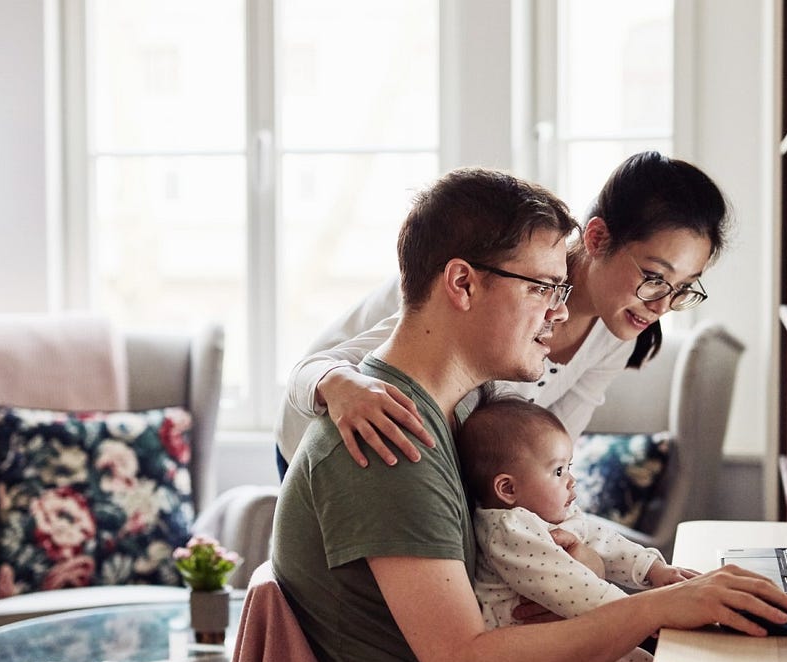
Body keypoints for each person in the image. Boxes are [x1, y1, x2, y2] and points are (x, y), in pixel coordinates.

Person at [271, 166, 787, 662]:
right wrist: (652, 609)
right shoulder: (392, 431)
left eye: (560, 291)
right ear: (465, 285)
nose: (558, 314)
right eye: (544, 289)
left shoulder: (467, 406)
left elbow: (549, 483)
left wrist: (619, 575)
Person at [274, 150, 730, 476]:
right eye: (654, 276)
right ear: (596, 238)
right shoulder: (496, 285)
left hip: (415, 449)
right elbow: (310, 370)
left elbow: (550, 448)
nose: (662, 305)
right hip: (317, 429)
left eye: (683, 289)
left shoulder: (616, 331)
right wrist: (340, 385)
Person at [457, 394, 701, 662]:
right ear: (508, 489)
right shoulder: (509, 529)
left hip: (575, 636)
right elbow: (571, 588)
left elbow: (603, 541)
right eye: (558, 471)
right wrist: (648, 615)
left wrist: (654, 570)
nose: (572, 479)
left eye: (569, 467)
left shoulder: (550, 515)